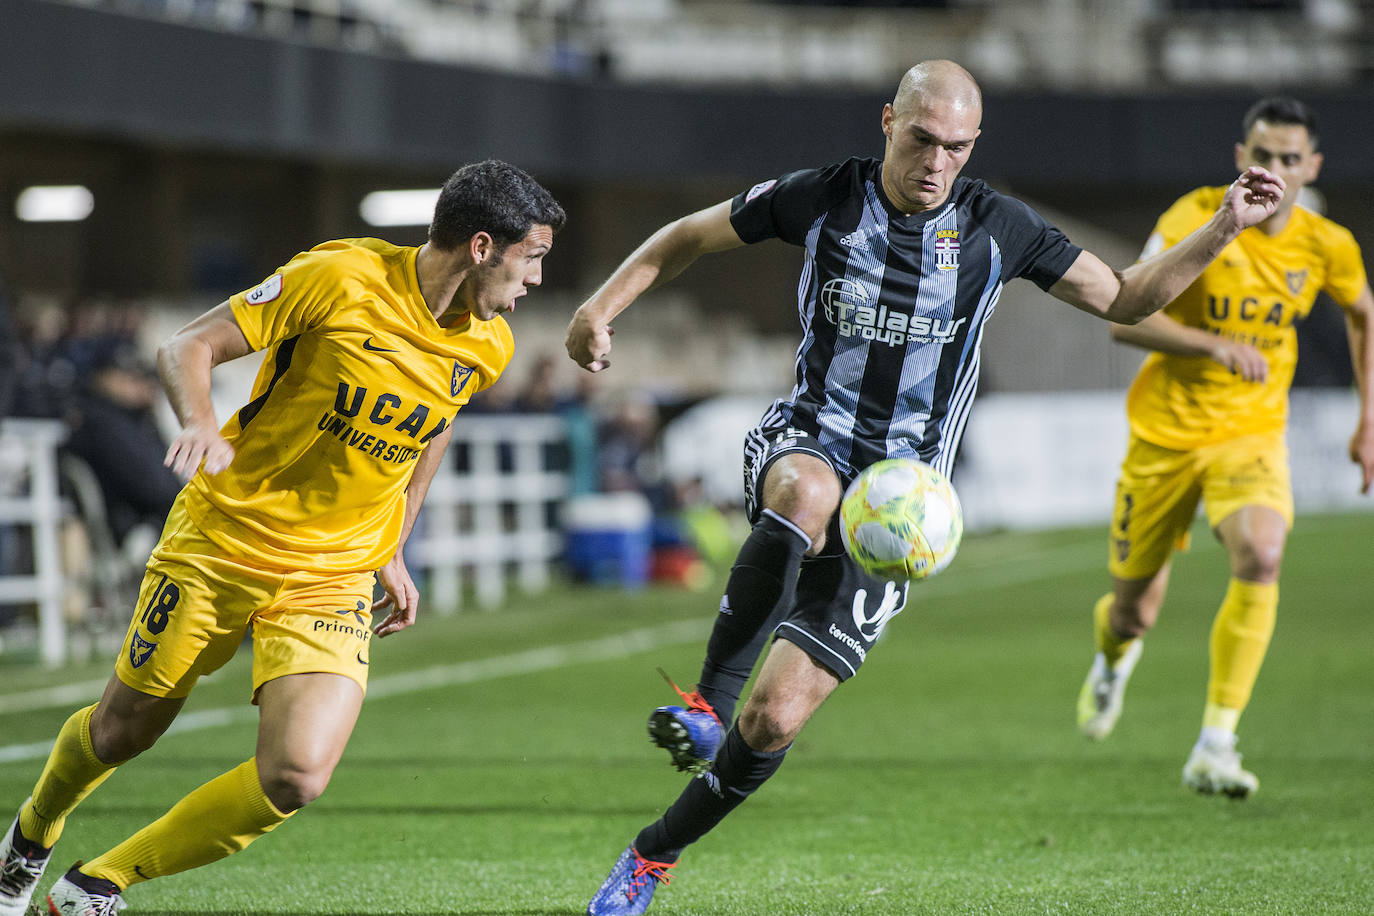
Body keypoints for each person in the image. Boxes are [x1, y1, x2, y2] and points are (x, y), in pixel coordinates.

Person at [563, 60, 1283, 915]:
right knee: (805, 498)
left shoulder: (1000, 228)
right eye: (920, 139)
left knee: (779, 721)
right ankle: (706, 700)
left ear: (973, 147)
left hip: (902, 506)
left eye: (955, 147)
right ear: (887, 124)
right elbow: (685, 235)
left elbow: (1126, 300)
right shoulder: (822, 197)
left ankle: (653, 854)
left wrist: (1224, 228)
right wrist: (596, 310)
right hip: (808, 439)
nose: (935, 161)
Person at [0, 159, 565, 916]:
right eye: (533, 259)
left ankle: (97, 885)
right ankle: (30, 838)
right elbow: (186, 347)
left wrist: (395, 539)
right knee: (122, 730)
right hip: (223, 540)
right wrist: (201, 421)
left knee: (296, 774)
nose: (534, 282)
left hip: (332, 572)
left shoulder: (487, 345)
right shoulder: (340, 275)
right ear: (483, 247)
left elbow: (433, 429)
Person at [1074, 96, 1374, 797]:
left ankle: (1215, 742)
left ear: (1312, 168)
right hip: (1165, 435)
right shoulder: (1196, 215)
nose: (1274, 170)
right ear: (1241, 159)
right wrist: (1213, 343)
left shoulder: (1327, 245)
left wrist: (1369, 420)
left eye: (1290, 159)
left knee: (1263, 553)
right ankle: (1114, 658)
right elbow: (1123, 316)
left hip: (1250, 435)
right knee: (1132, 611)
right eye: (1262, 156)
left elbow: (1363, 314)